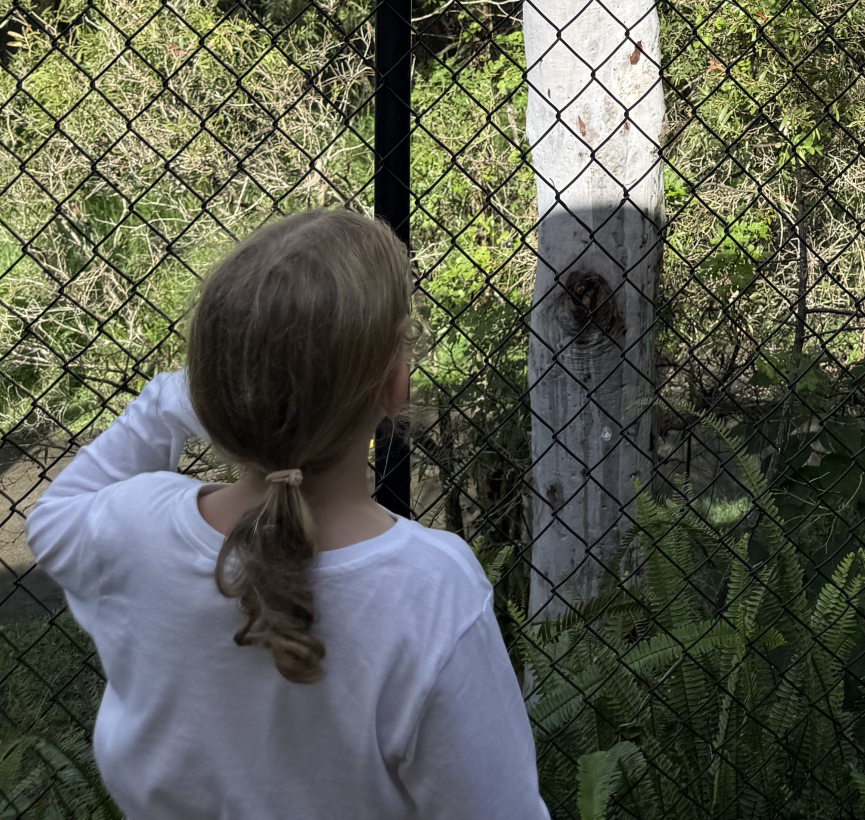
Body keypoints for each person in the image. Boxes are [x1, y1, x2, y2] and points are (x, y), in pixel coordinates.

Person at [27, 207, 549, 820]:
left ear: (208, 389)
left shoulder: (136, 527)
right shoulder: (431, 591)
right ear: (395, 385)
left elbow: (52, 516)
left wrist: (171, 398)